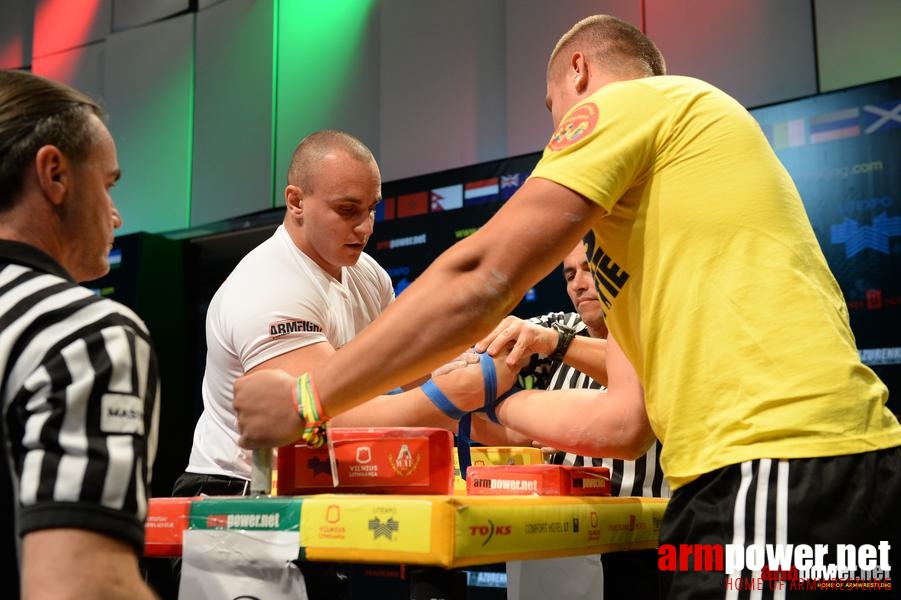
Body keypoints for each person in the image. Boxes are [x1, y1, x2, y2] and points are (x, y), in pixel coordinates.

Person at [234, 15, 901, 598]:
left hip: (775, 465)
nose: (558, 134)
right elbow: (624, 422)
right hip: (784, 471)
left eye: (552, 110)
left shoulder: (636, 102)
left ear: (578, 72)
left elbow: (483, 273)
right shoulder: (649, 235)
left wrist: (307, 397)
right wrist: (482, 399)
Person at [175, 129, 519, 502]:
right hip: (238, 490)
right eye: (347, 210)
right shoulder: (268, 286)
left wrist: (510, 419)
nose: (366, 227)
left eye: (372, 209)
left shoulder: (368, 274)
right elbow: (322, 416)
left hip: (317, 483)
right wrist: (456, 394)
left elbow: (414, 371)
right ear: (296, 202)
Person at [0, 69, 160, 599]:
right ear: (55, 175)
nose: (114, 214)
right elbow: (82, 586)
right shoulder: (83, 334)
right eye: (108, 183)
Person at [500, 242, 669, 600]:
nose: (578, 284)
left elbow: (636, 378)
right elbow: (497, 354)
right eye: (569, 274)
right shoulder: (562, 325)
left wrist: (556, 345)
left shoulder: (660, 329)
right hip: (559, 536)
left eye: (589, 269)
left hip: (640, 542)